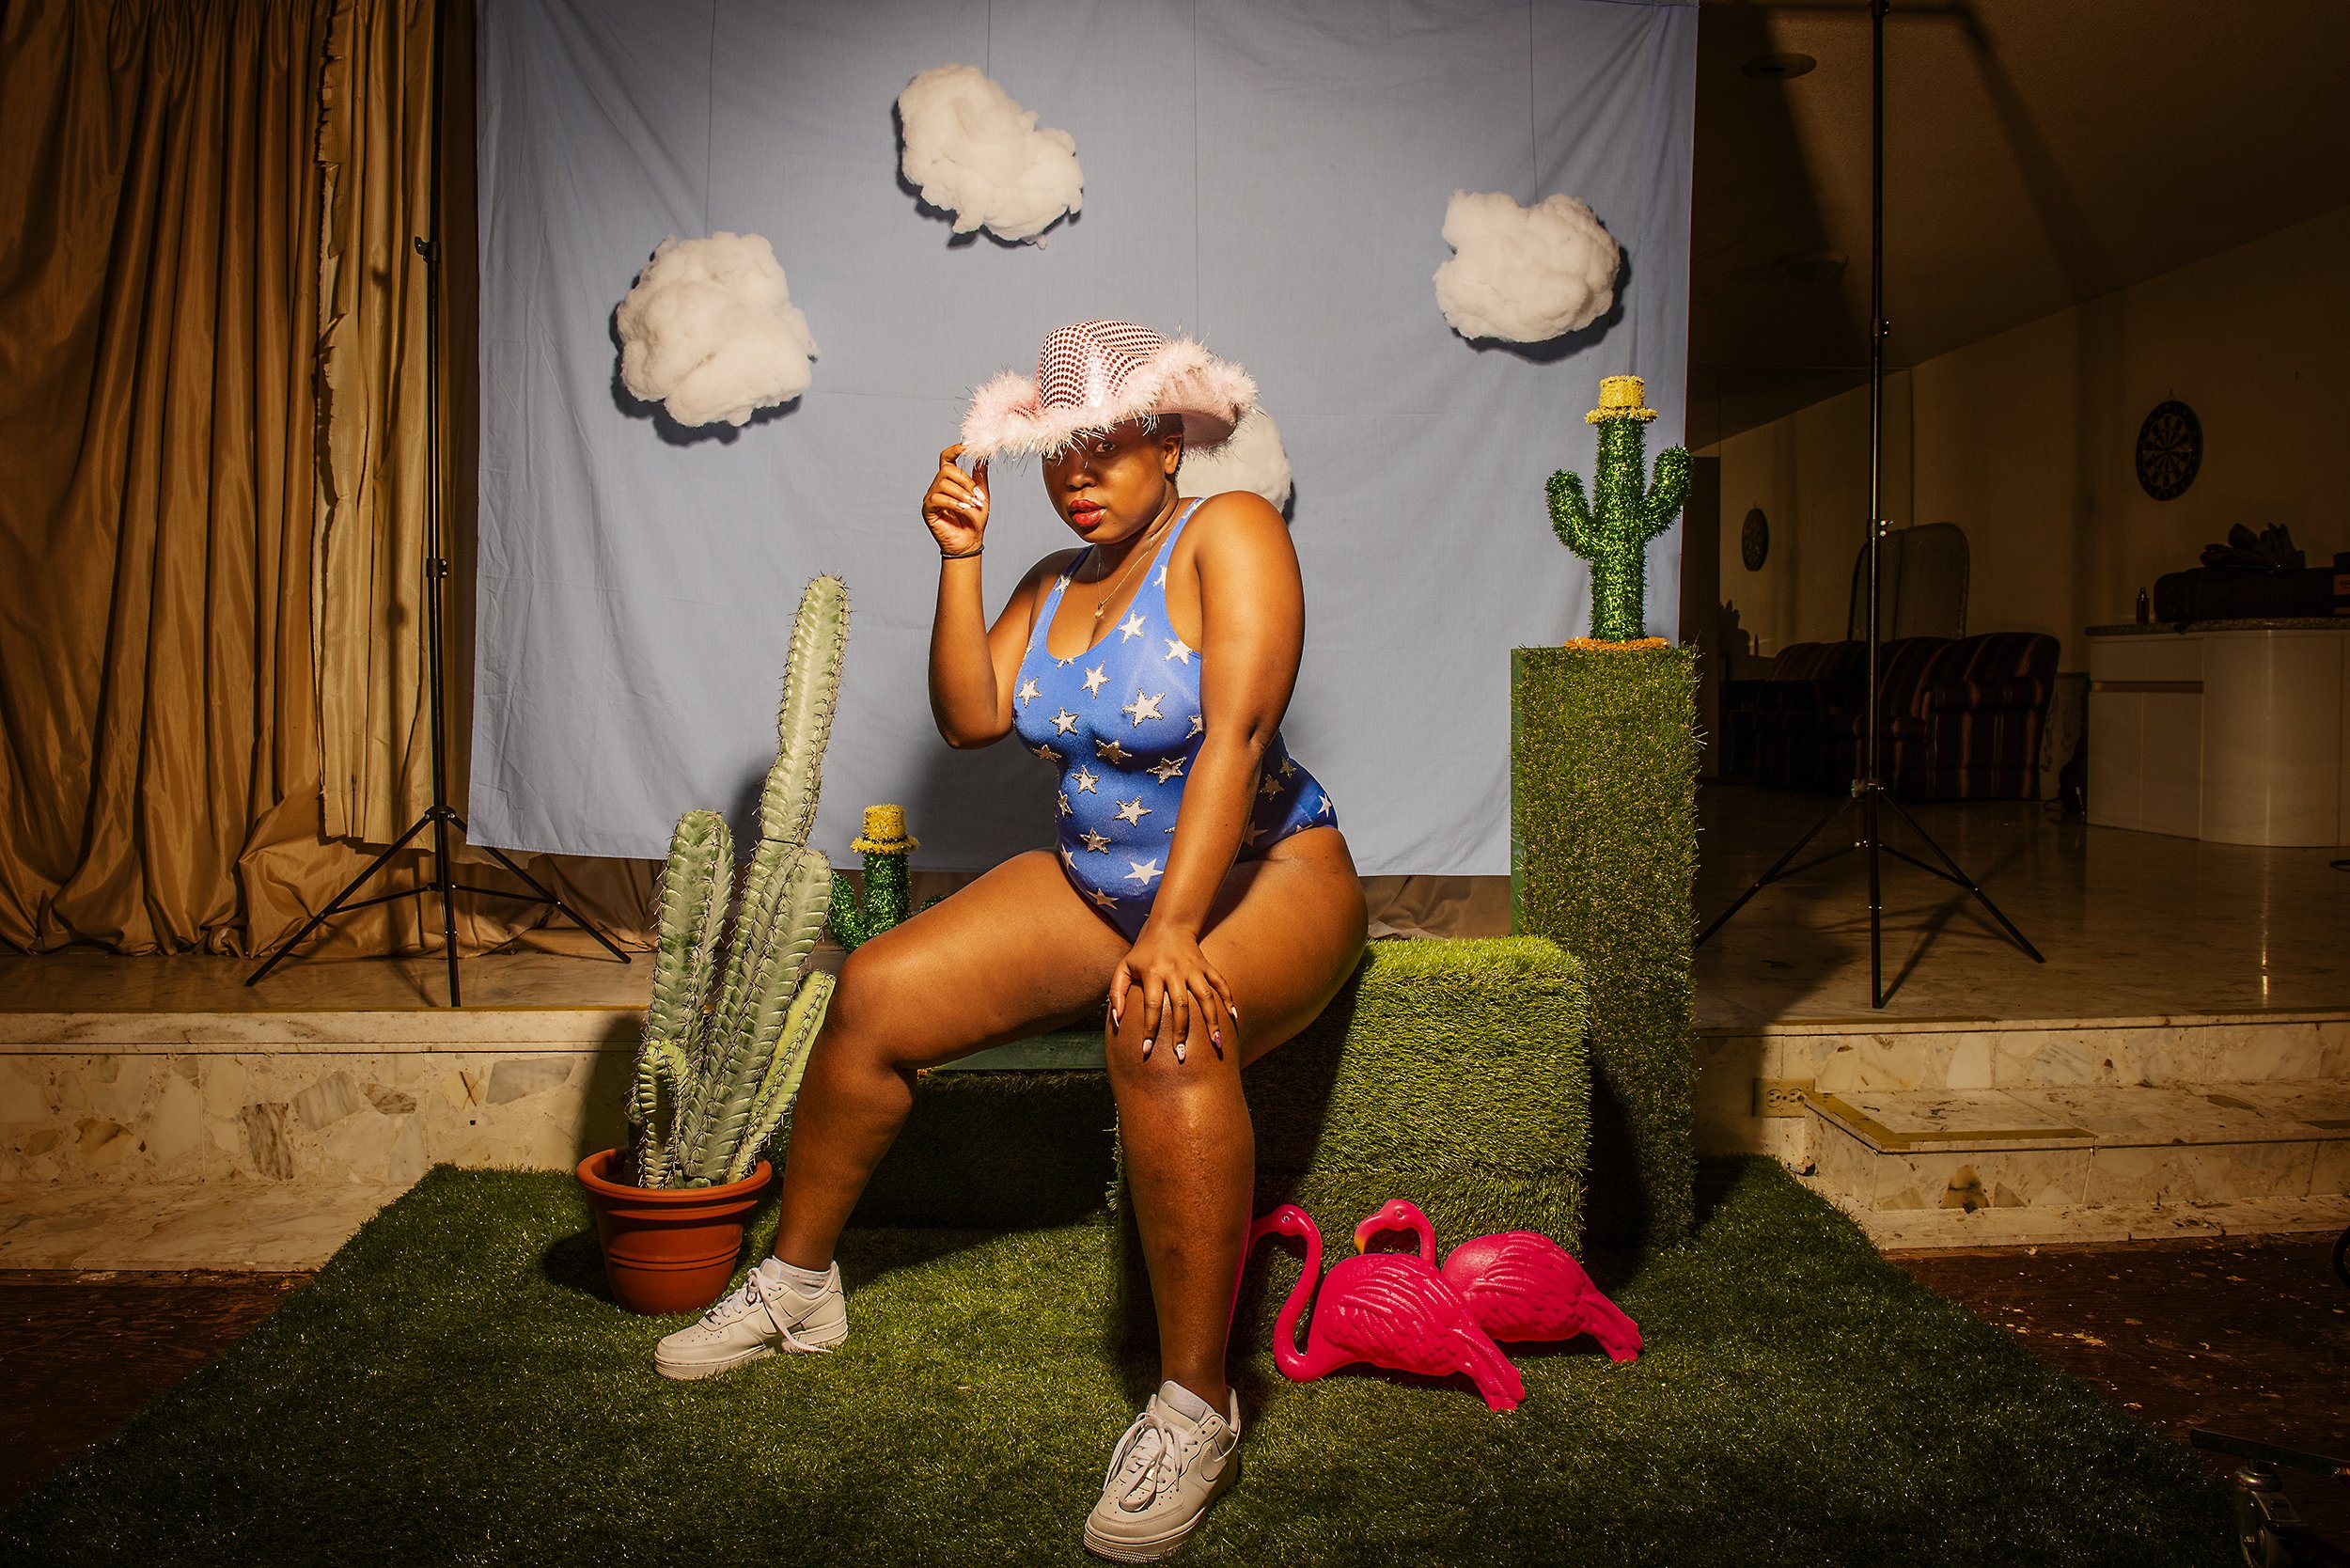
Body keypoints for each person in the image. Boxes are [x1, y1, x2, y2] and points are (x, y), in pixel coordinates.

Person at [654, 321, 1368, 1561]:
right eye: (1055, 452)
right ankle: (800, 1285)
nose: (1077, 475)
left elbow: (1236, 738)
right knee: (873, 992)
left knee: (1165, 1030)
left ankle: (1200, 1404)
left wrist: (1182, 930)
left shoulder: (1231, 533)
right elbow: (972, 715)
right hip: (1097, 885)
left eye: (1101, 447)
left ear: (1166, 438)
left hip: (1266, 876)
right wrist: (962, 559)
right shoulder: (1048, 580)